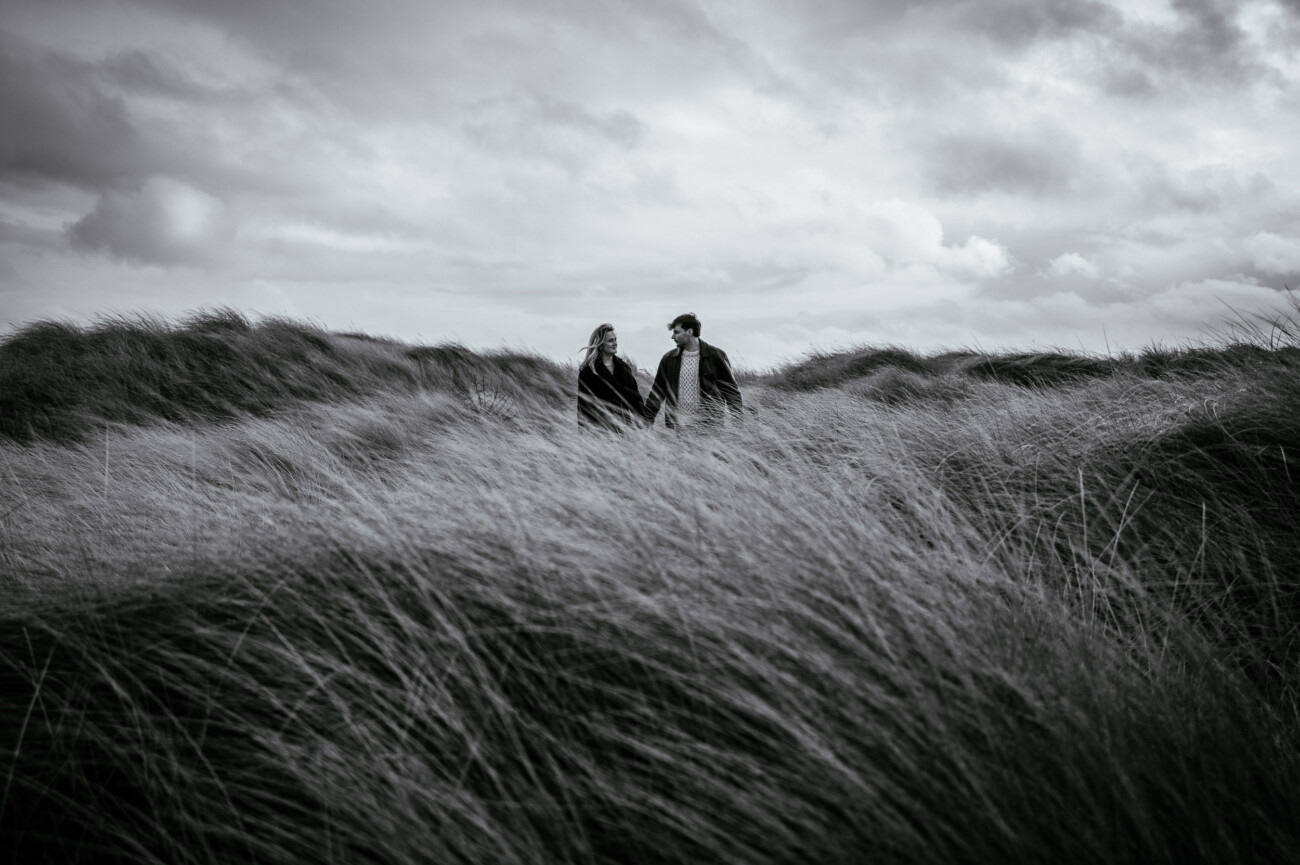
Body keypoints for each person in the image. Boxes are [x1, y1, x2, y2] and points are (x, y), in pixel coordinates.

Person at [643, 312, 742, 430]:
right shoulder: (669, 359)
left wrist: (738, 425)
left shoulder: (716, 356)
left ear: (689, 332)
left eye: (676, 332)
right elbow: (657, 393)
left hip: (710, 427)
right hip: (680, 427)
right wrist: (647, 421)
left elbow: (731, 391)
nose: (672, 337)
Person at [576, 323, 647, 431]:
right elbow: (584, 407)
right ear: (600, 345)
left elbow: (635, 400)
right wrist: (585, 434)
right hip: (601, 432)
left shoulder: (624, 368)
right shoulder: (588, 372)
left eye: (615, 339)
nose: (615, 343)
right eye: (610, 341)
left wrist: (643, 424)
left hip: (625, 430)